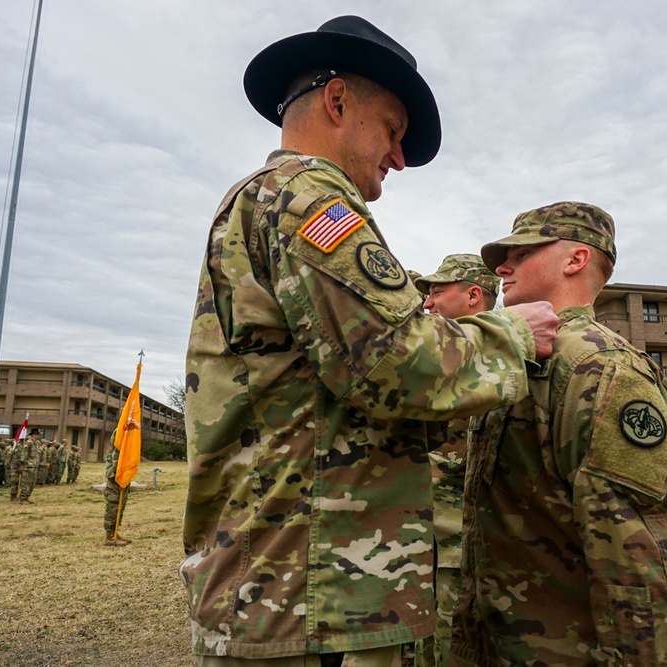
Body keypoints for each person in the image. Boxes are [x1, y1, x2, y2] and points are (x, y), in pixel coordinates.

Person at [181, 15, 559, 665]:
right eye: (392, 129)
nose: (399, 156)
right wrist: (510, 332)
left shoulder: (276, 200)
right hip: (311, 599)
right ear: (337, 102)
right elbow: (396, 363)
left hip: (298, 590)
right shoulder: (308, 199)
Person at [450, 202, 667, 666]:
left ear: (575, 261)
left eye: (521, 254)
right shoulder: (516, 356)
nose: (502, 269)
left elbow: (640, 559)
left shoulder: (600, 368)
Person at [412, 255, 499, 667]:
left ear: (473, 295)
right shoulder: (443, 352)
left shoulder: (490, 360)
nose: (428, 304)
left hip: (459, 545)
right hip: (426, 540)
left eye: (436, 292)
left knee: (453, 646)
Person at [103, 436, 131, 547]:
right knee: (113, 507)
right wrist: (120, 481)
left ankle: (115, 533)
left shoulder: (121, 452)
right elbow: (116, 466)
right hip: (115, 481)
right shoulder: (116, 452)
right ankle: (109, 536)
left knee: (120, 507)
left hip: (119, 481)